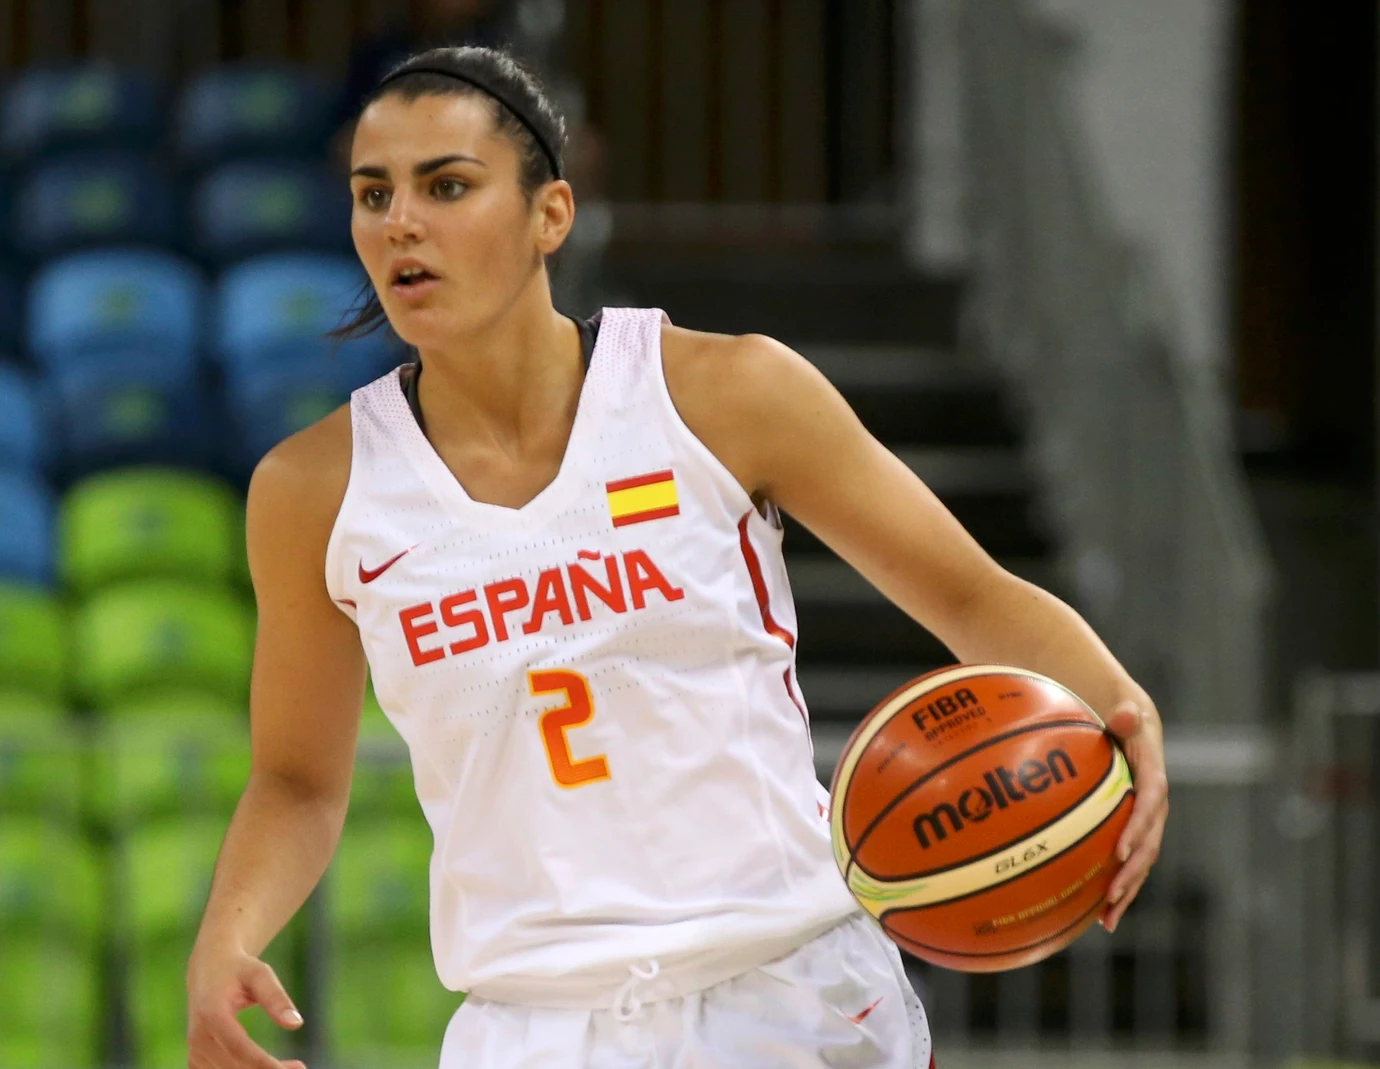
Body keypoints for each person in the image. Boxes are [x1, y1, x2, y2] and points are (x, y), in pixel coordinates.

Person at [186, 45, 1168, 1069]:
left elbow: (971, 595)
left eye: (446, 186)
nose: (400, 223)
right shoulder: (314, 490)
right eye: (371, 193)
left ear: (549, 215)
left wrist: (1117, 702)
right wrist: (224, 938)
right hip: (531, 1022)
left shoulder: (726, 391)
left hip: (787, 996)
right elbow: (298, 779)